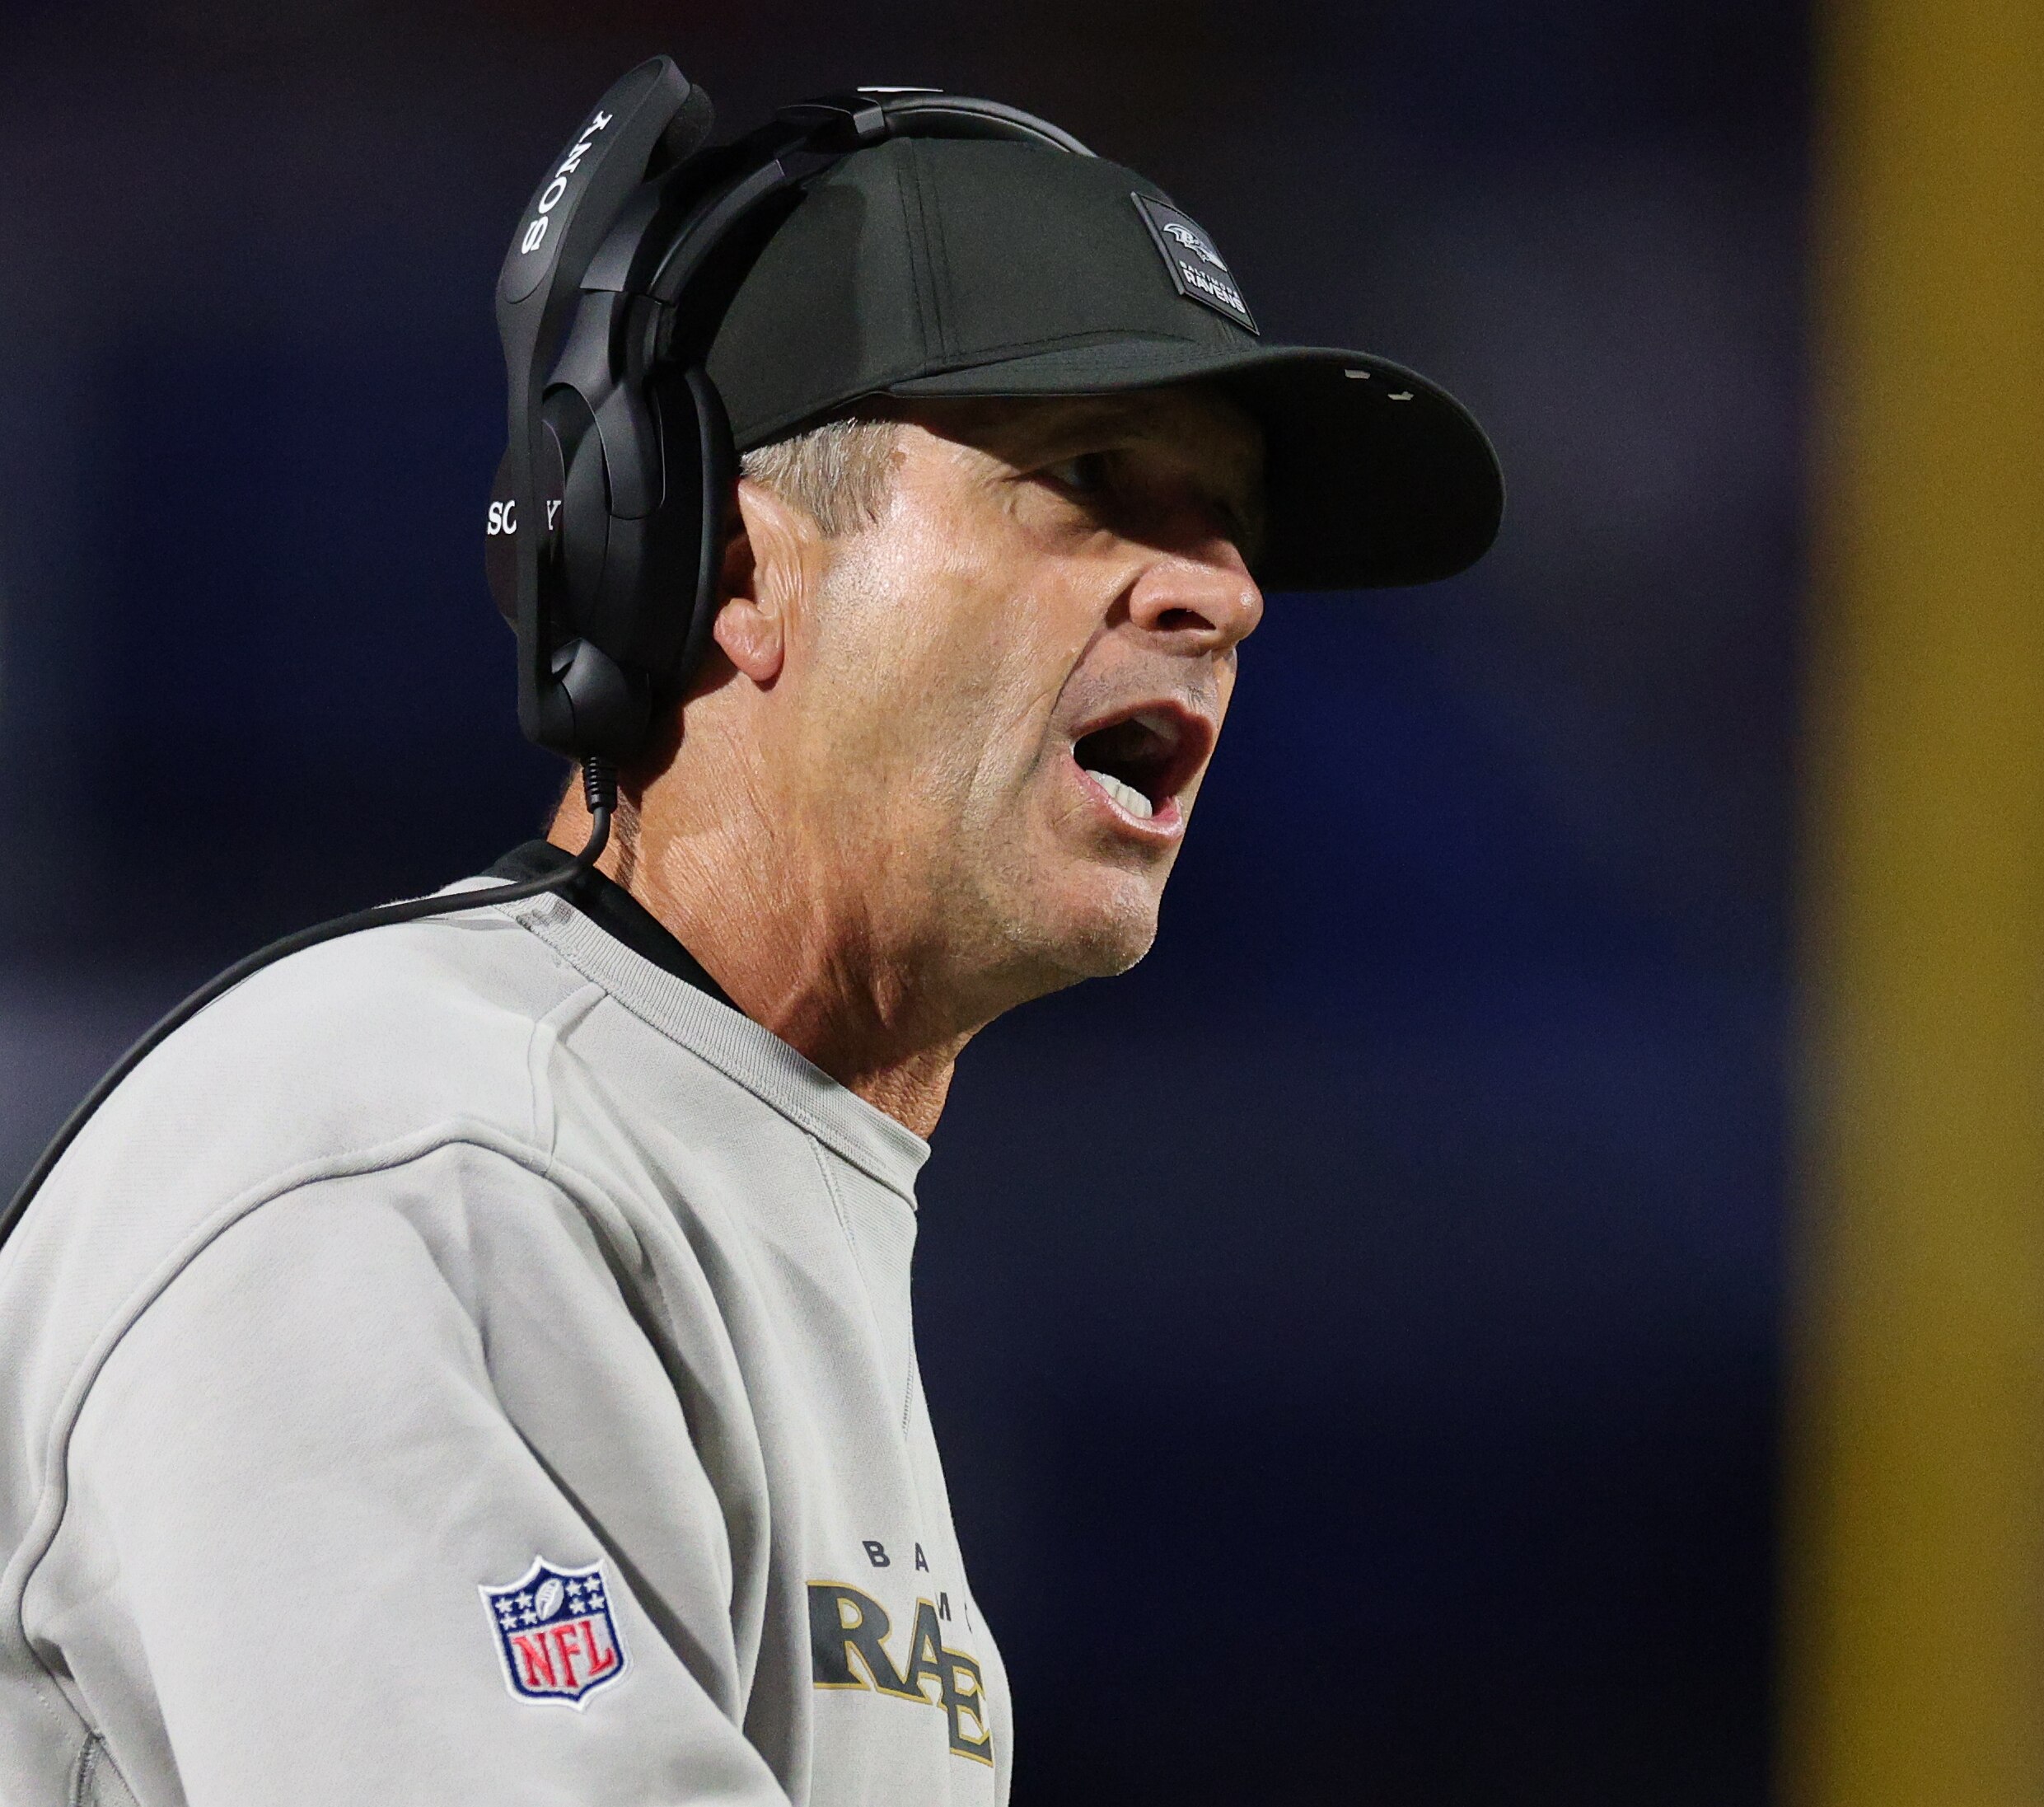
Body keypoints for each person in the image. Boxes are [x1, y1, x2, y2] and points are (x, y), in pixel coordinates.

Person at [0, 76, 1499, 1807]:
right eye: (1092, 478)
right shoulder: (415, 1141)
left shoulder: (721, 1165)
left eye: (1228, 522)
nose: (1221, 592)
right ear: (723, 568)